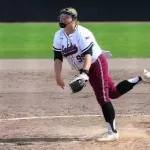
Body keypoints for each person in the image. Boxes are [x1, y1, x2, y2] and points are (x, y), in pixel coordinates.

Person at [52, 7, 150, 142]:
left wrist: (85, 74)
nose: (62, 18)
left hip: (96, 63)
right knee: (113, 93)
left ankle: (113, 132)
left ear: (74, 20)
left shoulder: (82, 33)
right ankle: (142, 78)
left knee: (102, 97)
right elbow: (57, 57)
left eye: (66, 16)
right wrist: (58, 76)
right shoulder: (58, 35)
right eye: (61, 16)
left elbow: (88, 54)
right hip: (84, 68)